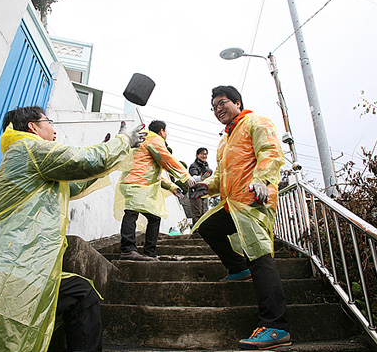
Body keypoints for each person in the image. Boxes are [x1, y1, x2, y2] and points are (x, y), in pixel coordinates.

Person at [0, 106, 146, 352]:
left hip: (29, 268)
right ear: (32, 127)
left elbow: (77, 182)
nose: (54, 130)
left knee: (81, 293)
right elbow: (88, 161)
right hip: (3, 266)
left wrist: (115, 149)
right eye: (49, 122)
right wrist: (122, 142)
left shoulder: (40, 161)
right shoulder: (28, 148)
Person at [190, 86, 291, 350]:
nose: (217, 109)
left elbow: (270, 153)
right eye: (213, 107)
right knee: (208, 227)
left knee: (260, 257)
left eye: (222, 103)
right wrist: (206, 186)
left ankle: (275, 326)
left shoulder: (256, 122)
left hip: (255, 202)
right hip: (232, 204)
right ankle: (237, 268)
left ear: (237, 102)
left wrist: (262, 180)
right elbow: (222, 175)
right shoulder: (224, 141)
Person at [115, 120, 195, 261]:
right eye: (166, 132)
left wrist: (172, 187)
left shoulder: (144, 140)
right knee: (132, 213)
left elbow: (151, 172)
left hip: (134, 181)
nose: (166, 135)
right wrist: (186, 177)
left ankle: (148, 252)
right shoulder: (154, 139)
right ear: (161, 131)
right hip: (137, 182)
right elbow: (167, 159)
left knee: (151, 217)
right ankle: (128, 250)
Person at [188, 147, 213, 236]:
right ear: (197, 155)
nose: (204, 155)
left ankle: (202, 233)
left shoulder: (207, 166)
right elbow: (192, 179)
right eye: (202, 154)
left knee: (204, 213)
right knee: (197, 213)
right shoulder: (194, 166)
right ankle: (196, 233)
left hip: (204, 192)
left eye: (205, 154)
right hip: (195, 193)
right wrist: (201, 178)